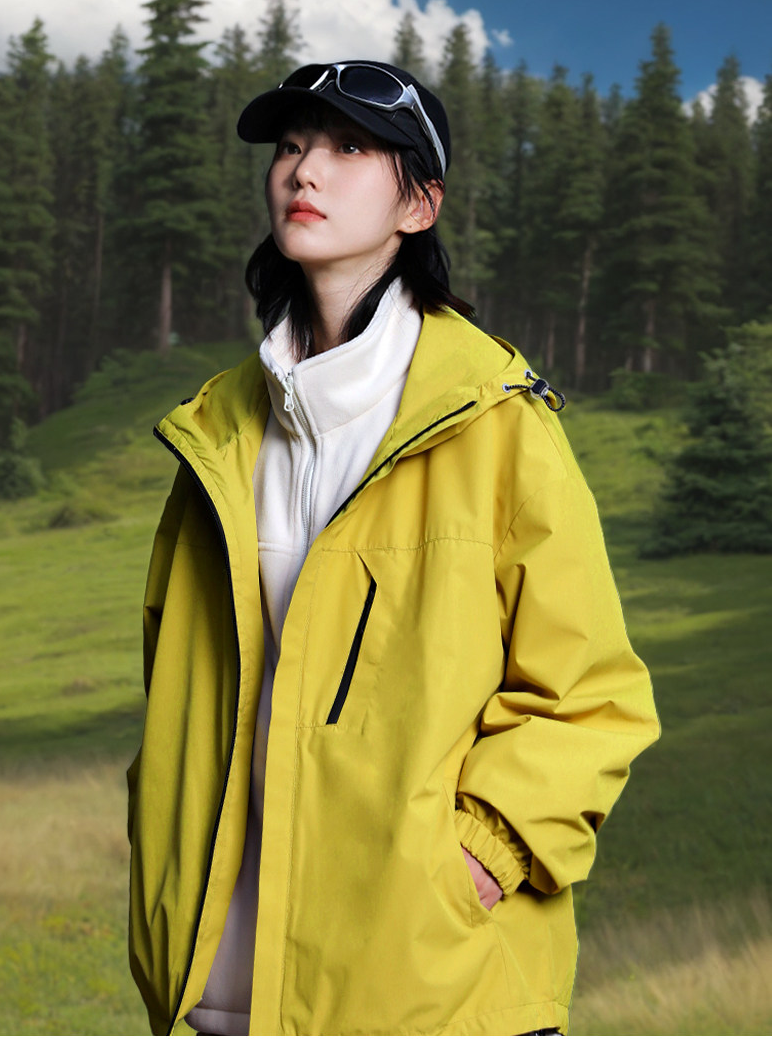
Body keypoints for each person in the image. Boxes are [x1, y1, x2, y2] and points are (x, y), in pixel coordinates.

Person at [127, 60, 659, 1037]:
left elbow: (591, 695)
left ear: (419, 204)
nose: (304, 170)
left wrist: (474, 859)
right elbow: (175, 682)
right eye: (292, 147)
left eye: (348, 148)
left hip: (428, 982)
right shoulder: (213, 435)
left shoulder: (496, 422)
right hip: (219, 978)